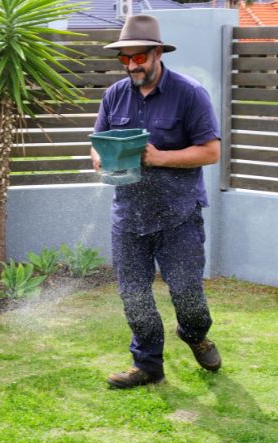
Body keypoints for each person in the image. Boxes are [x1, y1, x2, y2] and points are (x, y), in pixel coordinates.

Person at [90, 15, 222, 389]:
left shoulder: (189, 93)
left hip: (178, 214)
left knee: (187, 293)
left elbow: (211, 152)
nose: (132, 65)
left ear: (157, 53)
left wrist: (159, 157)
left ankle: (195, 334)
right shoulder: (114, 95)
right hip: (129, 215)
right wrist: (101, 158)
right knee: (133, 294)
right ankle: (148, 365)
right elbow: (96, 144)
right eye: (125, 59)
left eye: (139, 57)